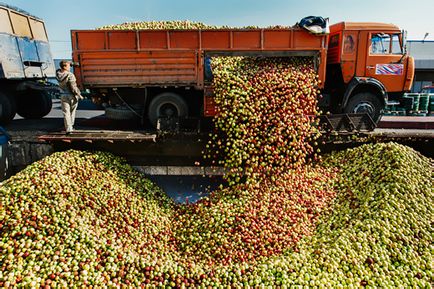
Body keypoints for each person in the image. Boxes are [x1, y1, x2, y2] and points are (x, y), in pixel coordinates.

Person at [56, 60, 83, 134]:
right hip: (71, 95)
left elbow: (58, 70)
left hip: (63, 95)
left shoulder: (58, 74)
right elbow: (73, 87)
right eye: (68, 66)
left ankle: (68, 129)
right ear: (65, 66)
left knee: (66, 112)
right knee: (72, 112)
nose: (70, 67)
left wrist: (68, 63)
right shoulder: (70, 75)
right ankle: (71, 126)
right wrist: (79, 95)